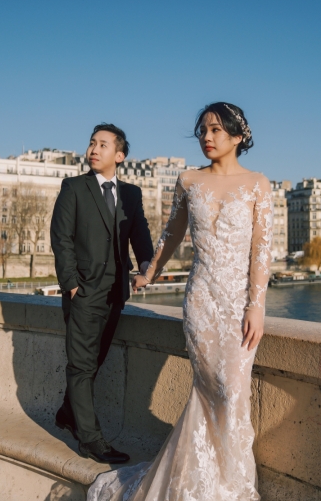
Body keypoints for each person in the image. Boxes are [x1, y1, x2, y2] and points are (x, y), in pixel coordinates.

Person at [88, 103, 272, 501]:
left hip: (239, 302)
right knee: (211, 391)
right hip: (201, 301)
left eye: (216, 130)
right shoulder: (189, 180)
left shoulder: (259, 184)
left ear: (238, 137)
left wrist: (256, 306)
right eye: (203, 130)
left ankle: (228, 487)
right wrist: (149, 272)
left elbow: (262, 250)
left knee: (232, 393)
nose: (207, 137)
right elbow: (171, 234)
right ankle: (205, 485)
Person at [50, 123, 154, 464]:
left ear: (119, 155)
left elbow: (140, 235)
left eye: (103, 145)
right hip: (84, 291)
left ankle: (67, 414)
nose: (94, 149)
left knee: (93, 362)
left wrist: (146, 267)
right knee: (81, 366)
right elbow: (60, 238)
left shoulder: (132, 194)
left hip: (115, 293)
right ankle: (91, 440)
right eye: (92, 143)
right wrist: (71, 284)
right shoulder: (74, 187)